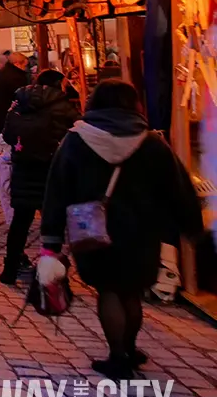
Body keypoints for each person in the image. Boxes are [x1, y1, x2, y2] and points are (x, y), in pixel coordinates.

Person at [41, 80, 203, 378]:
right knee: (131, 291)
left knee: (109, 291)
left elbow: (57, 190)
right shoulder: (152, 142)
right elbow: (178, 188)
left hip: (93, 232)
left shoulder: (76, 140)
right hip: (142, 233)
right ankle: (129, 349)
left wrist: (50, 240)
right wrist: (192, 229)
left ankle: (117, 356)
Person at [0, 68, 79, 284]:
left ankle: (10, 269)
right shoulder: (62, 105)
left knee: (20, 222)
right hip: (52, 169)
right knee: (52, 222)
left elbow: (7, 135)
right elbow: (77, 131)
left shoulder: (19, 104)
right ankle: (50, 272)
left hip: (24, 169)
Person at [0, 51, 30, 121]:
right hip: (13, 112)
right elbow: (21, 95)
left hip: (2, 110)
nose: (25, 68)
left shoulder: (4, 72)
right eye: (24, 66)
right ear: (17, 64)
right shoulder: (16, 77)